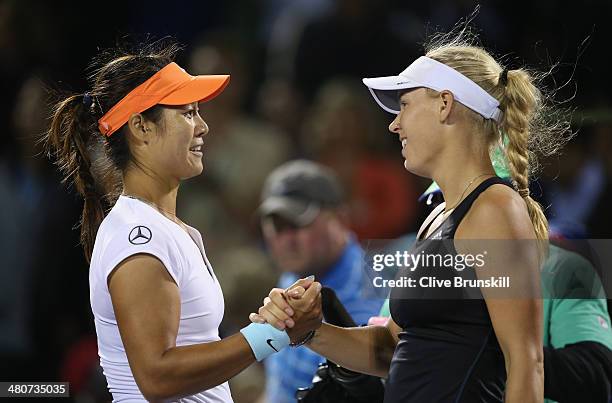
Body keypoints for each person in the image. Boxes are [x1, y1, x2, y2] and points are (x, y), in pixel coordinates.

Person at [251, 30, 573, 402]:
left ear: (445, 104)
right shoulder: (437, 218)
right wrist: (309, 331)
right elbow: (391, 349)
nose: (394, 124)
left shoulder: (495, 211)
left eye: (404, 104)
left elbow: (526, 361)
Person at [43, 40, 320, 402]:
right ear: (141, 127)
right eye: (187, 113)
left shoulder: (171, 229)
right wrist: (272, 333)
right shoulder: (136, 237)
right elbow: (158, 377)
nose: (203, 126)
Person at [257, 159, 384, 403]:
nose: (286, 239)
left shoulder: (367, 299)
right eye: (277, 225)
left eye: (297, 223)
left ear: (340, 219)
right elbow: (280, 386)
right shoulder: (297, 274)